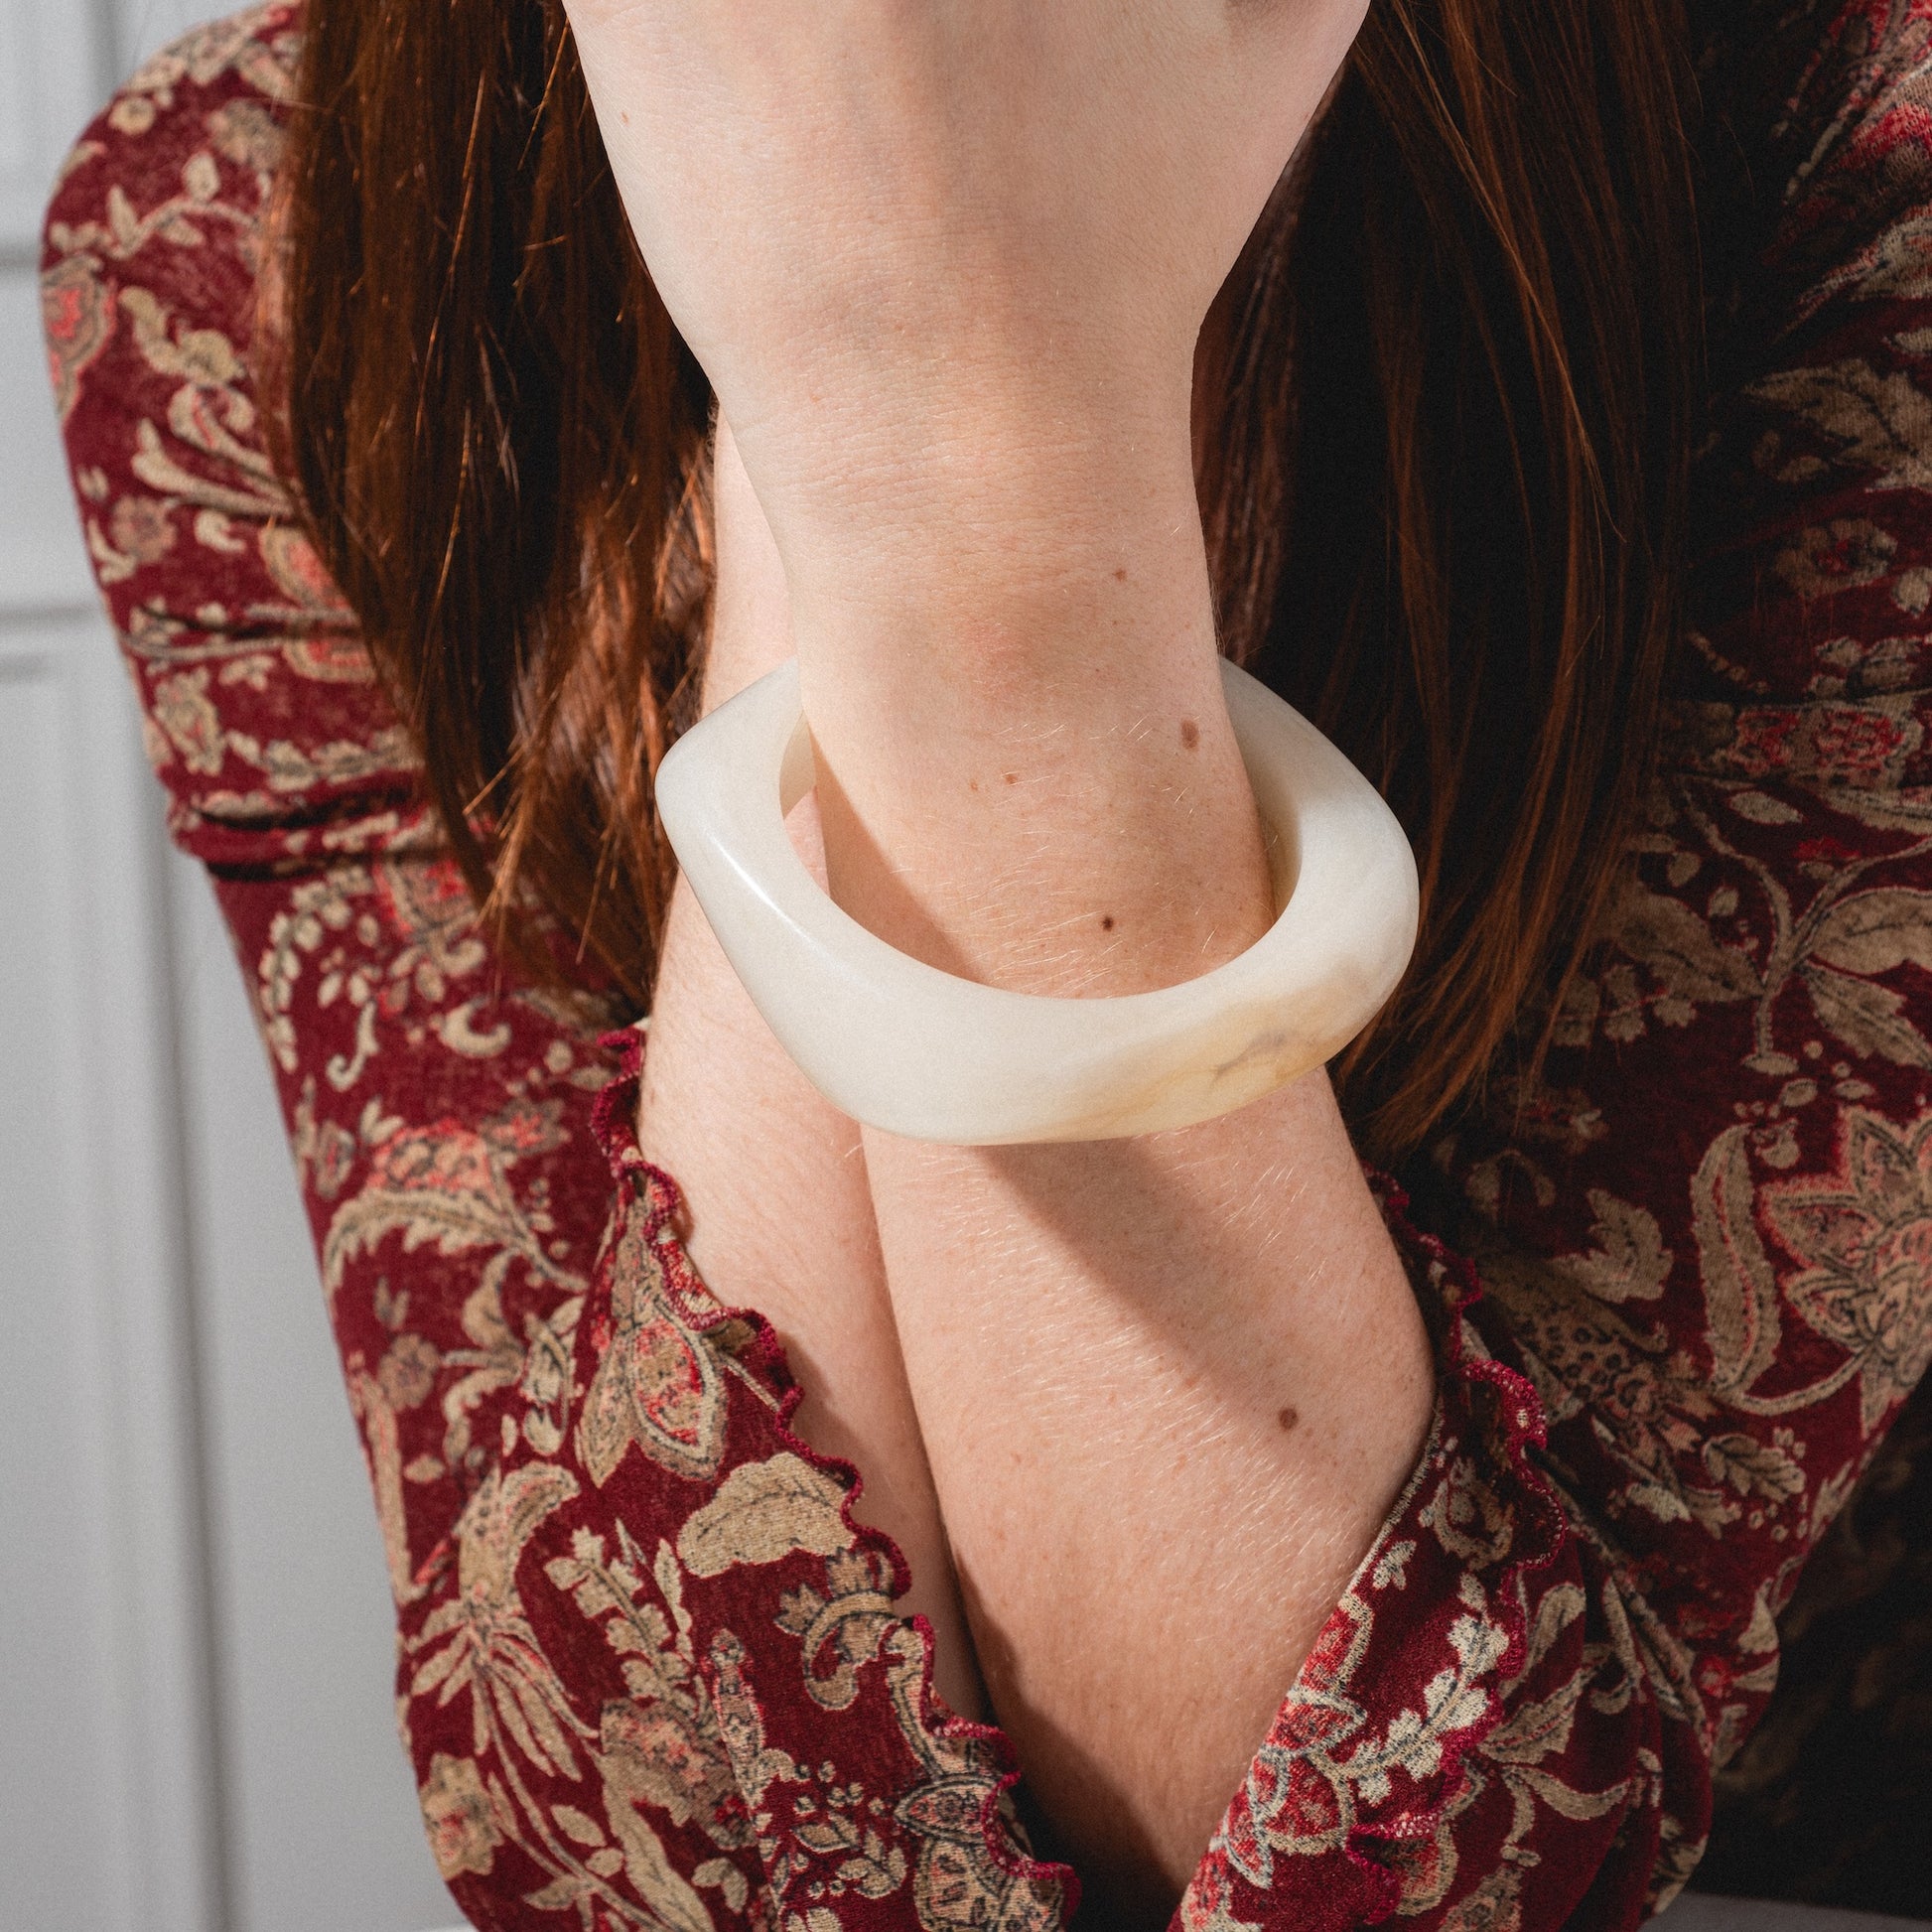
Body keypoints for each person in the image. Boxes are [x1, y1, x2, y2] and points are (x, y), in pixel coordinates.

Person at [39, 1, 1932, 1926]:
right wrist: (844, 376)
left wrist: (981, 437)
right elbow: (651, 1850)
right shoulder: (241, 227)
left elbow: (1403, 1871)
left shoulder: (1854, 123)